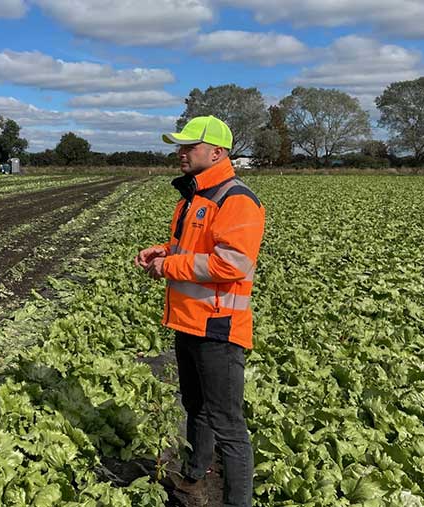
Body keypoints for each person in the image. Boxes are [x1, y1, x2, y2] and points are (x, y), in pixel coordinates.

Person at [135, 116, 265, 506]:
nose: (181, 153)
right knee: (195, 407)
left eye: (189, 147)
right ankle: (195, 475)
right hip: (188, 322)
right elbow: (195, 250)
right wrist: (163, 251)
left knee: (228, 425)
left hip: (218, 327)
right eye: (181, 146)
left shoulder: (236, 198)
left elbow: (233, 264)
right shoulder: (194, 198)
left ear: (217, 152)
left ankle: (237, 502)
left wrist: (170, 267)